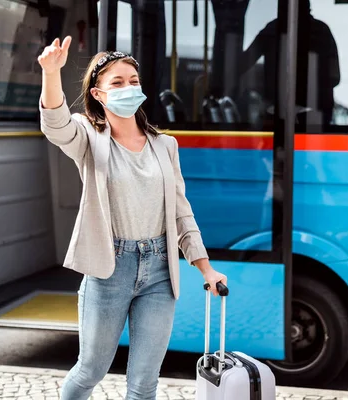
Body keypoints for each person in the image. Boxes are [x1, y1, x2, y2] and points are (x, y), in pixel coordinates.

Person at [37, 36, 227, 400]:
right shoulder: (89, 138)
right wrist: (51, 74)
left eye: (134, 81)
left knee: (144, 384)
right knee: (90, 370)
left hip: (159, 270)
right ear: (97, 94)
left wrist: (206, 268)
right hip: (109, 267)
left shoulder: (165, 145)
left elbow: (181, 212)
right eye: (117, 82)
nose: (129, 87)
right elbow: (56, 125)